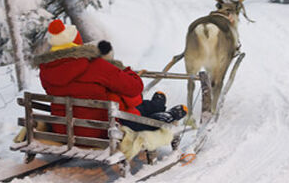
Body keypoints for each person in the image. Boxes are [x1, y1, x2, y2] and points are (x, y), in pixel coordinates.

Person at [33, 19, 185, 139]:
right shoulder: (94, 65)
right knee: (131, 107)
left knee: (131, 106)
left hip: (65, 129)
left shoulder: (46, 70)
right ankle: (159, 112)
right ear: (77, 43)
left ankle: (156, 106)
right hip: (100, 130)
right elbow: (134, 87)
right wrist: (123, 69)